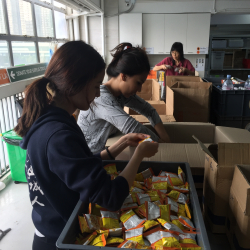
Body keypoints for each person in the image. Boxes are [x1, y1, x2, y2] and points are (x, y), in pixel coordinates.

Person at [15, 41, 158, 250]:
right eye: (95, 86)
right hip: (58, 239)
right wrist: (139, 155)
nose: (97, 94)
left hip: (50, 228)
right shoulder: (59, 135)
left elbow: (74, 167)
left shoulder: (51, 121)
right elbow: (111, 197)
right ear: (75, 83)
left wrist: (117, 147)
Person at [77, 43, 171, 155]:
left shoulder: (121, 94)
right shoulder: (101, 97)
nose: (140, 89)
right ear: (124, 76)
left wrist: (167, 141)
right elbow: (130, 126)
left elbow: (149, 111)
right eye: (138, 83)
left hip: (104, 151)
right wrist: (162, 146)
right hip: (88, 156)